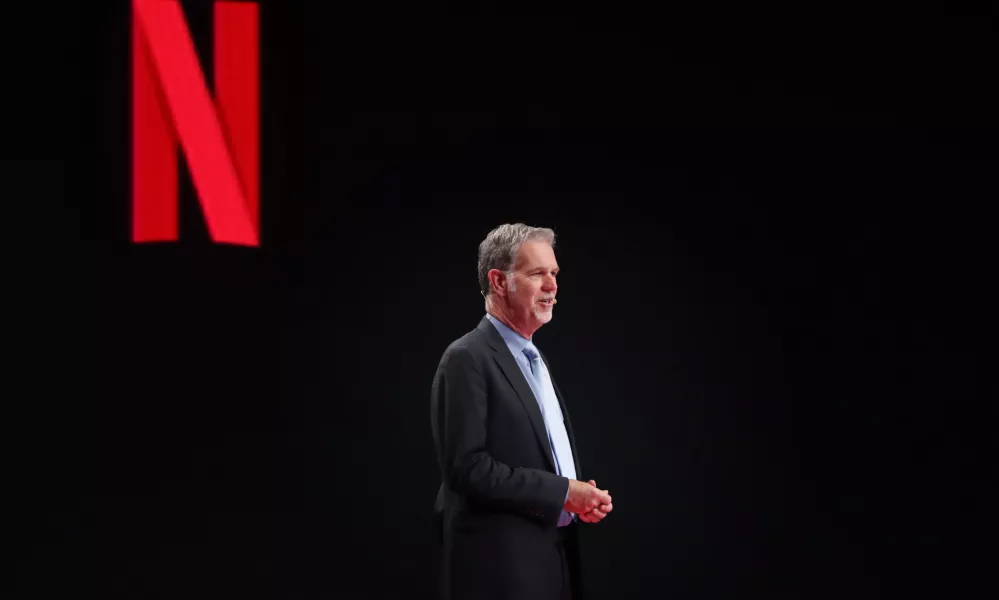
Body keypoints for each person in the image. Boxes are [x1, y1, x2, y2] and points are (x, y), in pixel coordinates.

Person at [430, 223, 614, 600]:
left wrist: (576, 496)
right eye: (537, 274)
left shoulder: (533, 359)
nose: (552, 285)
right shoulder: (466, 358)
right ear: (499, 281)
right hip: (500, 573)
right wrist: (563, 492)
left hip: (552, 561)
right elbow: (468, 469)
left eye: (554, 273)